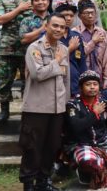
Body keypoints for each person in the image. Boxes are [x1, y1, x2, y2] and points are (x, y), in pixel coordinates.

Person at [19, 13, 70, 191]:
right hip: (37, 107)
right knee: (32, 147)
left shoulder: (63, 49)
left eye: (62, 27)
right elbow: (37, 74)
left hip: (57, 108)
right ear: (46, 26)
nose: (58, 29)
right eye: (55, 25)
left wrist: (66, 103)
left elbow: (66, 79)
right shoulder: (35, 47)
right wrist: (55, 62)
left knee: (52, 146)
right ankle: (28, 184)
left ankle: (43, 182)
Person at [0, 0, 32, 123]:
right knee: (5, 82)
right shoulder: (1, 0)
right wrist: (19, 9)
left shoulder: (32, 0)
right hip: (7, 48)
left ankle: (28, 110)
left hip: (27, 49)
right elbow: (0, 19)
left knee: (28, 82)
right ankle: (4, 111)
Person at [75, 0, 107, 87]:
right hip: (81, 79)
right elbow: (78, 56)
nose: (90, 16)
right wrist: (93, 41)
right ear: (79, 16)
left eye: (93, 13)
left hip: (99, 78)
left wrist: (106, 79)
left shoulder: (101, 32)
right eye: (87, 13)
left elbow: (106, 57)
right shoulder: (75, 33)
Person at [54, 3, 86, 97]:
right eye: (65, 16)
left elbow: (81, 60)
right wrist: (70, 48)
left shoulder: (76, 36)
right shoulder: (52, 36)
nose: (68, 18)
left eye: (71, 16)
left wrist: (85, 79)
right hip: (57, 79)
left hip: (74, 80)